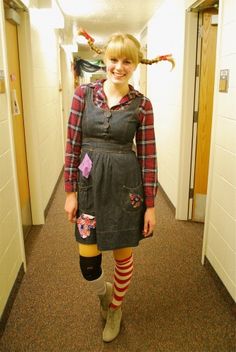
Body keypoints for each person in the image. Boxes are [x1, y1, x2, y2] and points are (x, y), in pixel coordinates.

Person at [64, 30, 174, 342]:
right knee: (88, 263)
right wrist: (70, 191)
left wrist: (151, 205)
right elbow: (72, 145)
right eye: (114, 59)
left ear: (136, 64)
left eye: (127, 61)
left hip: (127, 189)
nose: (119, 67)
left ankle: (115, 307)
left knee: (123, 255)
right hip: (87, 188)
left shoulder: (142, 105)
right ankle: (105, 292)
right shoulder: (82, 96)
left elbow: (149, 155)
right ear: (104, 59)